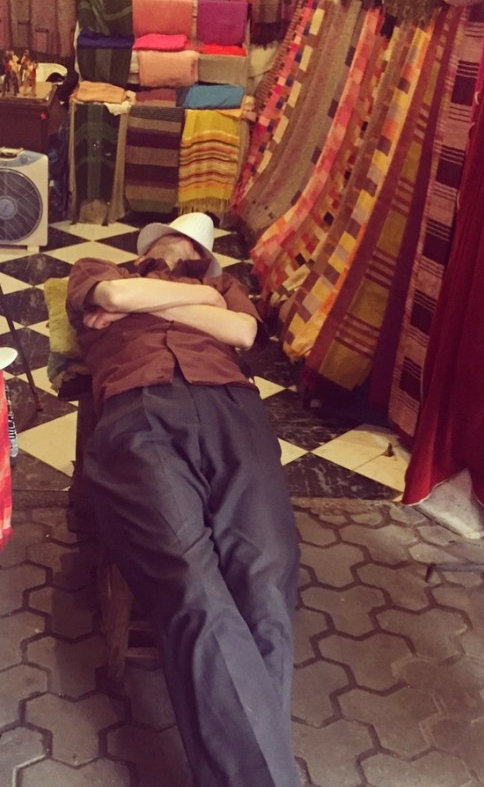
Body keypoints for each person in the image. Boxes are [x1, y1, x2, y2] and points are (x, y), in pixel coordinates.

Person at [66, 212, 301, 787]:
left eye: (196, 244)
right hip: (136, 411)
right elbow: (117, 291)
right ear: (150, 243)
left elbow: (243, 335)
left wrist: (144, 306)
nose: (183, 244)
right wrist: (190, 308)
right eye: (174, 235)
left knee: (267, 581)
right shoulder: (100, 269)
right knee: (192, 585)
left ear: (206, 258)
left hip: (232, 411)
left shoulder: (225, 288)